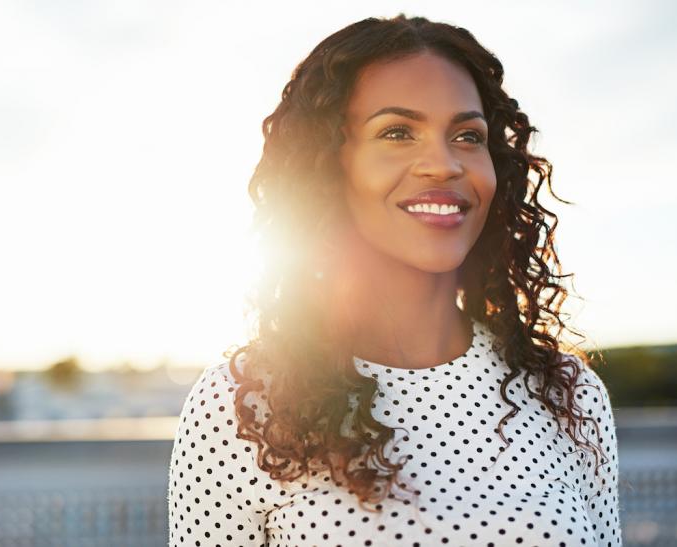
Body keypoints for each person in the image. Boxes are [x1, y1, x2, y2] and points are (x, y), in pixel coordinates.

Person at [168, 14, 622, 547]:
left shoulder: (567, 393)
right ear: (329, 165)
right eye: (397, 132)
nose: (443, 164)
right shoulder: (242, 402)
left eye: (467, 135)